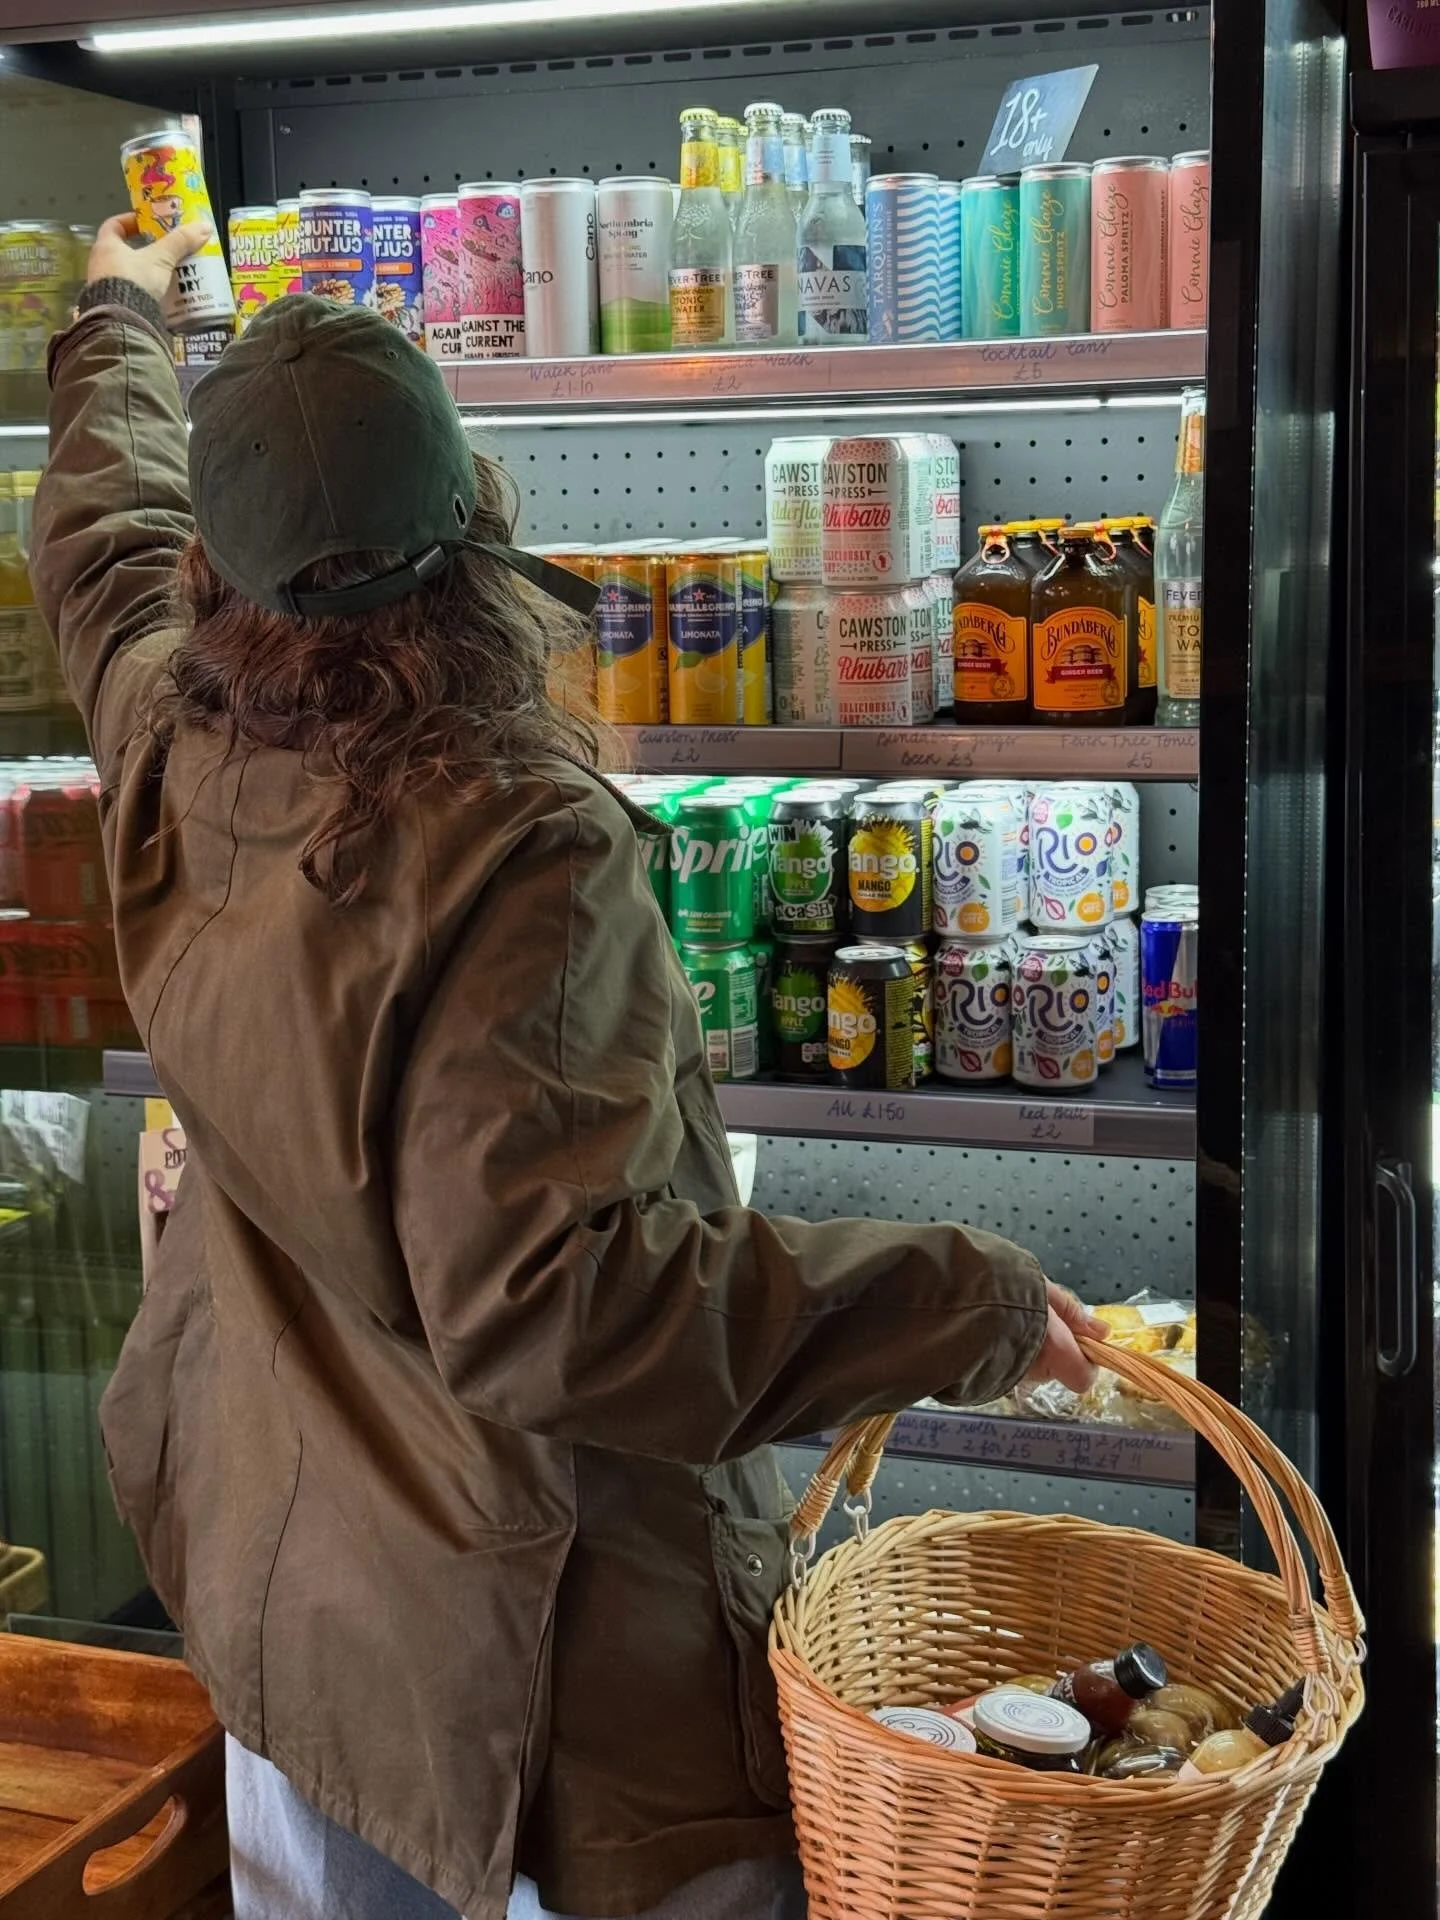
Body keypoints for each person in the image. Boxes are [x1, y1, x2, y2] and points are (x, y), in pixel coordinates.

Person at [31, 215, 1105, 1920]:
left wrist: (109, 317)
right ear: (471, 537)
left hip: (281, 1582)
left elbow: (97, 522)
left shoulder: (168, 724)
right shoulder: (518, 850)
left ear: (214, 572)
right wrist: (960, 1298)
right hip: (523, 1693)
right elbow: (562, 1308)